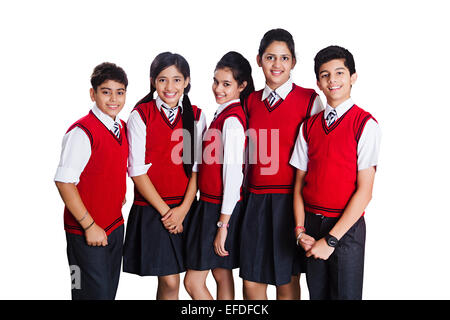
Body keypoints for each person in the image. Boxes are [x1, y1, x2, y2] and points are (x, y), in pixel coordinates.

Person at [290, 45, 381, 300]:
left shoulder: (365, 124)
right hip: (310, 227)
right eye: (325, 74)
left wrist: (330, 241)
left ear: (353, 77)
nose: (333, 80)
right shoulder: (308, 127)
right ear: (318, 82)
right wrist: (300, 231)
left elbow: (365, 192)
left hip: (345, 229)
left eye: (339, 73)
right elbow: (298, 186)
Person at [239, 28, 323, 300]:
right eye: (270, 57)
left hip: (290, 203)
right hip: (255, 201)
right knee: (252, 283)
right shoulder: (249, 101)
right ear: (259, 60)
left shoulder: (310, 99)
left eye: (284, 58)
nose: (277, 65)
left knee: (286, 283)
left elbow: (318, 154)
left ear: (294, 63)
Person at [122, 52, 206, 300]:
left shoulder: (197, 116)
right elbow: (137, 171)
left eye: (177, 80)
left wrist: (182, 210)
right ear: (152, 81)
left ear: (187, 81)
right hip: (153, 209)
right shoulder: (141, 115)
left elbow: (197, 169)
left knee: (189, 280)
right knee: (169, 280)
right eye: (162, 80)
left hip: (187, 208)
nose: (170, 87)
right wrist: (167, 213)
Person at [54, 62, 129, 300]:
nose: (113, 99)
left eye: (120, 92)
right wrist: (89, 225)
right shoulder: (82, 132)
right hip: (86, 232)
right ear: (93, 93)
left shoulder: (122, 127)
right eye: (106, 92)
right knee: (86, 295)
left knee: (107, 295)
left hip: (115, 226)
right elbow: (64, 182)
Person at [184, 51, 254, 300]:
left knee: (193, 282)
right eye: (216, 81)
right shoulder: (223, 114)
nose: (218, 88)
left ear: (242, 86)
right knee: (221, 274)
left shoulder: (232, 121)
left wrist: (223, 224)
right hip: (213, 206)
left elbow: (234, 176)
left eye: (226, 84)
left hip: (218, 209)